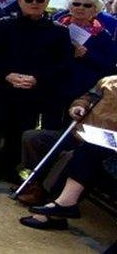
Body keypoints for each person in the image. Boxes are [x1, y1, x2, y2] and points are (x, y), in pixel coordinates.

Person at [0, 0, 71, 183]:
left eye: (40, 0)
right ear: (20, 1)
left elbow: (62, 63)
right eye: (29, 0)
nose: (34, 3)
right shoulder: (4, 25)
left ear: (47, 3)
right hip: (2, 88)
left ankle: (9, 169)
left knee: (21, 132)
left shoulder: (59, 32)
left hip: (32, 91)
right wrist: (7, 74)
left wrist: (37, 78)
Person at [19, 75, 117, 230]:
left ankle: (50, 202)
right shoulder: (108, 81)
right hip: (80, 132)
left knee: (75, 156)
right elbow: (86, 97)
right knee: (33, 138)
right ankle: (36, 183)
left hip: (105, 145)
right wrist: (77, 107)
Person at [47, 0, 117, 129]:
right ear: (70, 7)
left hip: (82, 90)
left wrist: (87, 55)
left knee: (72, 130)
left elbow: (109, 65)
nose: (81, 8)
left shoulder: (103, 35)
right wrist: (68, 54)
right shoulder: (55, 28)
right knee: (49, 126)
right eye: (76, 4)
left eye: (87, 5)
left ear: (96, 10)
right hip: (54, 86)